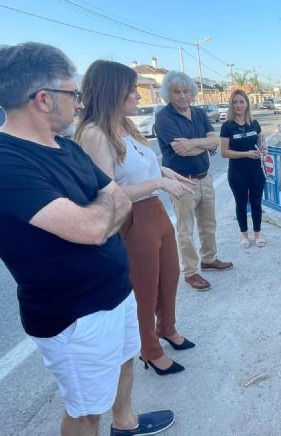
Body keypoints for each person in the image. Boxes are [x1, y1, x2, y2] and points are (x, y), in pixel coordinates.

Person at [0, 43, 174, 436]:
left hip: (114, 292)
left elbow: (117, 196)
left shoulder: (65, 146)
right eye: (74, 94)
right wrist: (105, 207)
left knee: (124, 361)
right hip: (75, 316)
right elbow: (93, 227)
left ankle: (126, 423)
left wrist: (104, 206)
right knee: (86, 412)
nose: (79, 103)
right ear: (45, 99)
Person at [75, 60, 195, 377]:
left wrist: (166, 172)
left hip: (155, 211)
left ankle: (167, 328)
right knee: (143, 290)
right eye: (132, 91)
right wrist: (158, 183)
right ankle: (150, 350)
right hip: (132, 219)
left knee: (169, 278)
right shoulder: (95, 134)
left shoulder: (126, 126)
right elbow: (107, 193)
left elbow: (145, 165)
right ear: (112, 92)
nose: (138, 97)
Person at [155, 71, 233, 292]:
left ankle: (209, 259)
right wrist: (202, 144)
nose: (182, 96)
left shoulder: (199, 113)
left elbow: (215, 140)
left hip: (204, 177)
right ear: (167, 95)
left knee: (209, 223)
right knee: (185, 229)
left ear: (192, 93)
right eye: (176, 92)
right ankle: (190, 271)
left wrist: (194, 143)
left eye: (186, 91)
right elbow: (182, 152)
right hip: (182, 181)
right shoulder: (164, 118)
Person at [220, 89, 267, 248]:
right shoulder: (227, 126)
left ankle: (258, 234)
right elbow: (224, 152)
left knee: (256, 202)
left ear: (247, 103)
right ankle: (244, 236)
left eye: (241, 101)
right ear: (231, 105)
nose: (238, 105)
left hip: (256, 171)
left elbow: (262, 143)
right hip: (237, 172)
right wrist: (246, 153)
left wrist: (264, 150)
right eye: (235, 102)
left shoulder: (254, 123)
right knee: (241, 203)